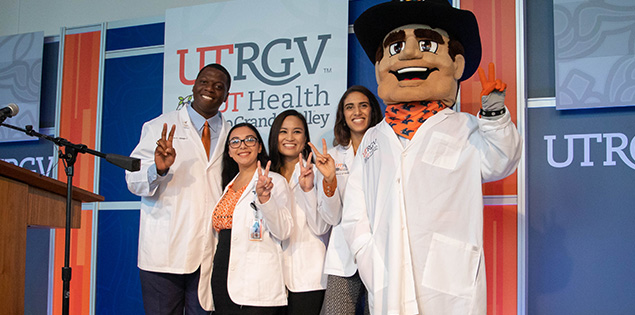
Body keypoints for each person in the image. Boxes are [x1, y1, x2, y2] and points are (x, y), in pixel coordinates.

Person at [341, 1, 523, 314]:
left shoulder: (464, 127)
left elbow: (500, 159)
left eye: (426, 44)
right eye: (396, 46)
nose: (409, 53)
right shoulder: (374, 137)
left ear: (456, 64)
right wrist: (366, 252)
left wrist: (493, 113)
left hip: (447, 279)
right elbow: (356, 209)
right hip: (387, 270)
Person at [126, 63, 231, 314]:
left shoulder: (232, 135)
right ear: (194, 86)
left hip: (210, 254)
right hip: (165, 253)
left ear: (226, 96)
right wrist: (158, 169)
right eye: (204, 82)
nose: (210, 89)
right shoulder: (160, 126)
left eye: (219, 86)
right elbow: (133, 180)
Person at [198, 122, 294, 314]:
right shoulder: (227, 186)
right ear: (229, 152)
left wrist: (265, 199)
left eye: (249, 140)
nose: (242, 145)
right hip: (222, 277)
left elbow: (284, 231)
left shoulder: (275, 181)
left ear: (259, 147)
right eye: (235, 142)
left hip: (256, 282)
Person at [308, 85, 383, 315]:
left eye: (363, 105)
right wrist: (329, 179)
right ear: (343, 115)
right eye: (349, 107)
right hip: (344, 256)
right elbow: (331, 216)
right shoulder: (331, 156)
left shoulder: (388, 148)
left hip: (381, 250)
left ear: (372, 110)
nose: (357, 112)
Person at [268, 110, 330, 315]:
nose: (290, 137)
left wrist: (307, 189)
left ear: (305, 139)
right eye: (283, 131)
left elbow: (321, 226)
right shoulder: (265, 177)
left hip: (308, 276)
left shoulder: (318, 172)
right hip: (271, 278)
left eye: (297, 132)